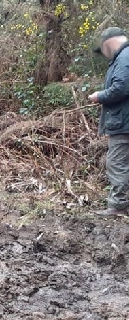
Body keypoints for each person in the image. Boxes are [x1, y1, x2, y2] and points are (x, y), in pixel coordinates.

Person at [89, 27, 129, 216]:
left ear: (110, 43)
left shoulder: (124, 58)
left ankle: (118, 206)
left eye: (104, 49)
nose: (104, 54)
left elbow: (120, 88)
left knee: (116, 163)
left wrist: (100, 96)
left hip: (124, 123)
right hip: (124, 120)